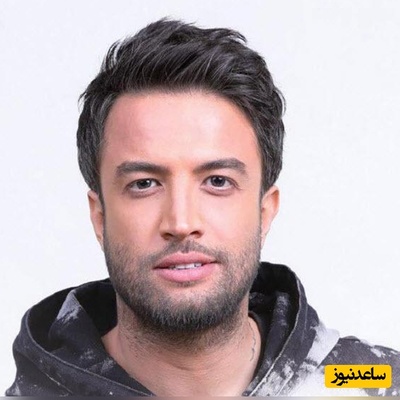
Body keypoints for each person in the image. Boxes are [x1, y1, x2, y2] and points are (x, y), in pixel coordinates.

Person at [7, 18, 400, 397]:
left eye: (217, 181)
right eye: (144, 184)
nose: (181, 222)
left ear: (265, 211)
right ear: (100, 216)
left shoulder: (372, 384)